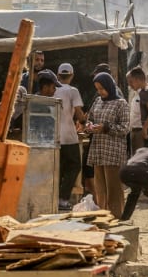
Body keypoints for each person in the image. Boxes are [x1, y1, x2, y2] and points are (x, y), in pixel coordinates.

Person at [86, 72, 130, 218]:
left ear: (109, 87)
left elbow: (125, 128)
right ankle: (103, 217)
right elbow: (90, 118)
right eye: (98, 89)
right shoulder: (98, 101)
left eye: (102, 89)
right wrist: (89, 126)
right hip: (98, 150)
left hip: (113, 152)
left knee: (114, 189)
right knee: (100, 189)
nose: (100, 92)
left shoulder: (121, 104)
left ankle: (116, 217)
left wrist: (106, 128)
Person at [55, 64, 85, 210]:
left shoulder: (52, 90)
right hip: (69, 136)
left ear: (58, 75)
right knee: (75, 166)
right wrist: (85, 123)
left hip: (54, 136)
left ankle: (56, 198)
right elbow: (79, 112)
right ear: (72, 75)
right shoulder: (73, 91)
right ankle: (63, 198)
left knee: (59, 168)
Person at [126, 67, 148, 149]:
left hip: (140, 132)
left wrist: (145, 128)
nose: (130, 85)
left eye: (131, 82)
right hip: (135, 131)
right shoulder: (140, 92)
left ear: (138, 80)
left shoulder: (144, 93)